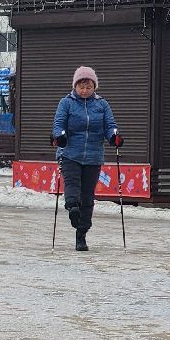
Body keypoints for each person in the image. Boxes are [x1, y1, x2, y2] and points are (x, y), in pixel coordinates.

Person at [52, 65, 121, 252]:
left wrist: (114, 136)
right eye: (81, 87)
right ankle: (72, 207)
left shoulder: (102, 105)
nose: (84, 90)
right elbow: (58, 124)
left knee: (88, 196)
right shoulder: (66, 103)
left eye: (88, 87)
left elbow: (110, 125)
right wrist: (60, 136)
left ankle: (81, 234)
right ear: (75, 86)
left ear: (94, 87)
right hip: (70, 153)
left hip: (93, 156)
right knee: (73, 186)